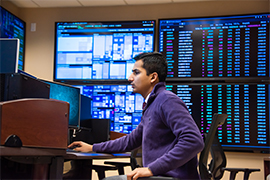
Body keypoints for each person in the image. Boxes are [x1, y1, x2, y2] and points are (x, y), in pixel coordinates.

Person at [68, 52, 204, 180]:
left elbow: (193, 140)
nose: (130, 78)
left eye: (136, 72)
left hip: (170, 177)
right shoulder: (152, 104)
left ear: (153, 77)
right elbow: (130, 141)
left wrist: (151, 169)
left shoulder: (166, 100)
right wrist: (93, 148)